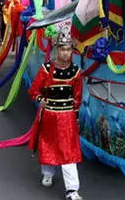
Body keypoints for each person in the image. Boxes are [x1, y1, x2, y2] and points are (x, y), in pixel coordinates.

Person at [28, 29, 84, 200]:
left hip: (67, 118)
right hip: (50, 115)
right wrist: (40, 99)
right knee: (49, 145)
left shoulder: (75, 71)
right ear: (56, 50)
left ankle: (72, 190)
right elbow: (34, 90)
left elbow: (77, 97)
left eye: (68, 49)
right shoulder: (46, 69)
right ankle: (47, 173)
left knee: (68, 151)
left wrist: (75, 118)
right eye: (62, 49)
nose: (65, 53)